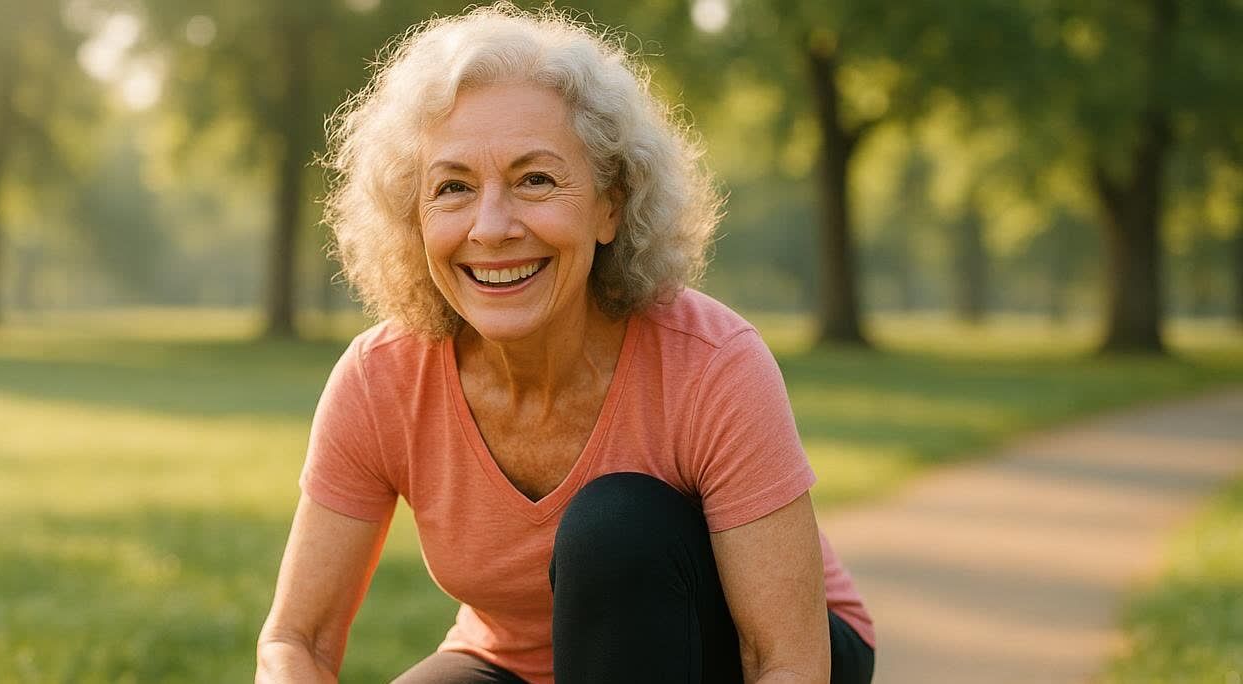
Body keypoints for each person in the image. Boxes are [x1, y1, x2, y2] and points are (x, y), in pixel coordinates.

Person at [255, 4, 874, 682]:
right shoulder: (383, 379)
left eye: (536, 180)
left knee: (617, 526)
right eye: (453, 187)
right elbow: (297, 641)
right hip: (515, 661)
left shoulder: (711, 363)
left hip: (747, 648)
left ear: (610, 206)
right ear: (415, 216)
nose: (491, 227)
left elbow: (783, 658)